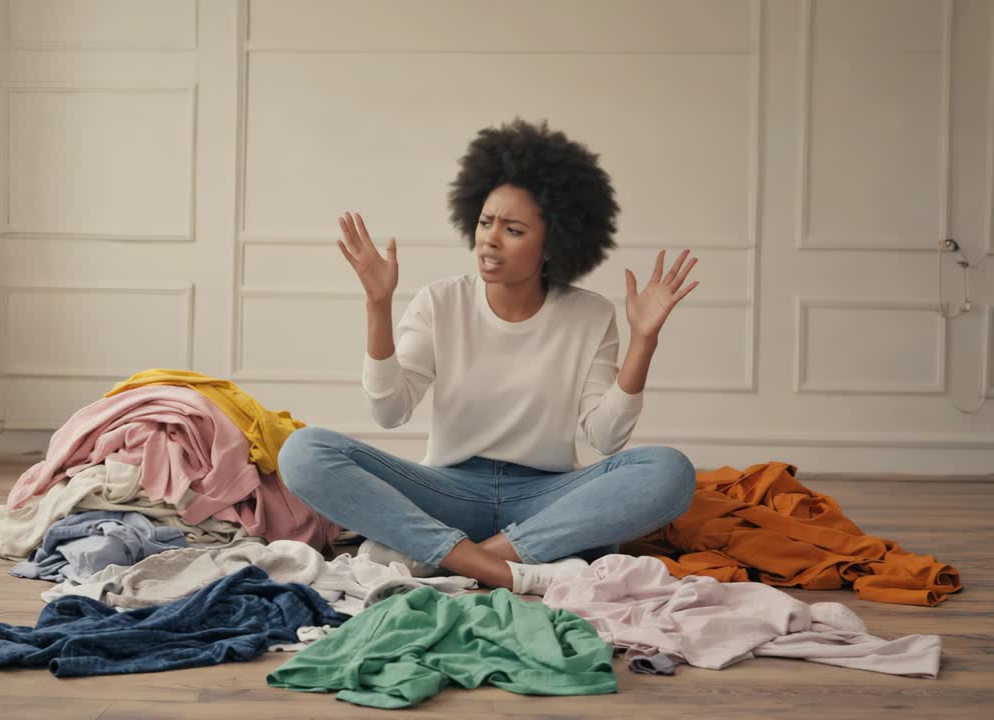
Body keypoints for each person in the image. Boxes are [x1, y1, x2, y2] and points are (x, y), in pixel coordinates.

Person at [278, 118, 699, 596]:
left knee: (671, 471)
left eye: (513, 229)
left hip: (545, 495)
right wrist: (378, 305)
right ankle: (506, 566)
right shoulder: (442, 301)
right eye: (485, 222)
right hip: (446, 491)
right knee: (303, 452)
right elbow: (390, 411)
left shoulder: (589, 313)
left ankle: (460, 558)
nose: (490, 239)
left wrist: (644, 339)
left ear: (553, 243)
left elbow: (605, 438)